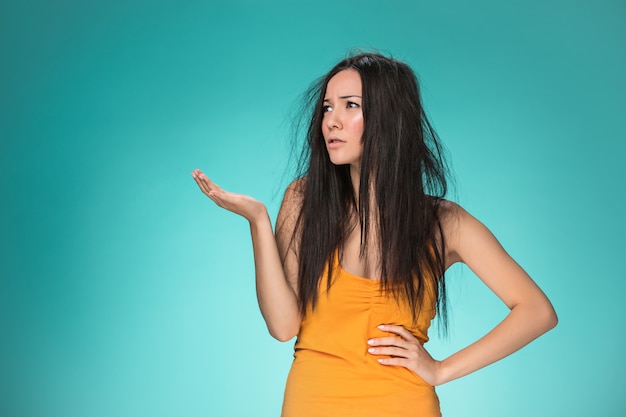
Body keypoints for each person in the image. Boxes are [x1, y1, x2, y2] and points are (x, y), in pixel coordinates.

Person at [191, 52, 557, 417]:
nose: (331, 121)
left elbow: (537, 311)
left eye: (350, 106)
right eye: (326, 108)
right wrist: (258, 221)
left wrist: (442, 370)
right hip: (311, 403)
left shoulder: (444, 222)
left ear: (389, 119)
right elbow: (284, 326)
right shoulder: (303, 200)